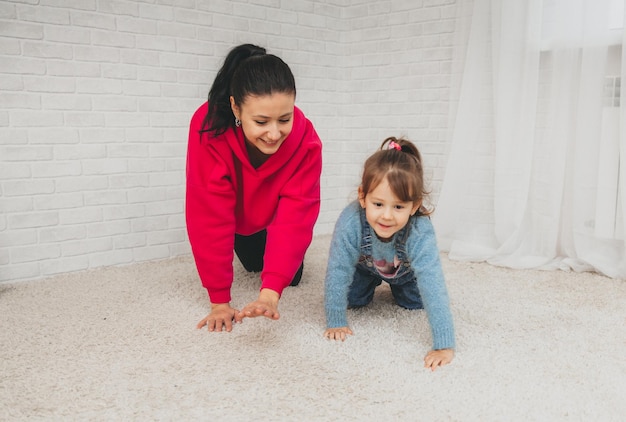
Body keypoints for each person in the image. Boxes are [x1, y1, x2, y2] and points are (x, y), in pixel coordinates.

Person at [186, 44, 322, 332]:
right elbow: (208, 214)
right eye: (261, 121)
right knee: (250, 266)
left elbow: (296, 216)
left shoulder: (307, 142)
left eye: (284, 119)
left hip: (274, 216)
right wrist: (219, 302)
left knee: (289, 277)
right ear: (236, 107)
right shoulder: (208, 126)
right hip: (238, 218)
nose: (274, 133)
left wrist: (270, 295)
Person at [323, 136, 455, 371]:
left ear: (414, 206)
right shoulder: (351, 221)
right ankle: (370, 283)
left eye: (398, 207)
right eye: (378, 204)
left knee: (415, 303)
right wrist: (336, 321)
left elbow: (432, 281)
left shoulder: (419, 230)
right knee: (353, 300)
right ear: (363, 197)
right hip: (364, 267)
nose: (386, 216)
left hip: (405, 274)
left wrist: (444, 345)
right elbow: (338, 269)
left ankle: (398, 289)